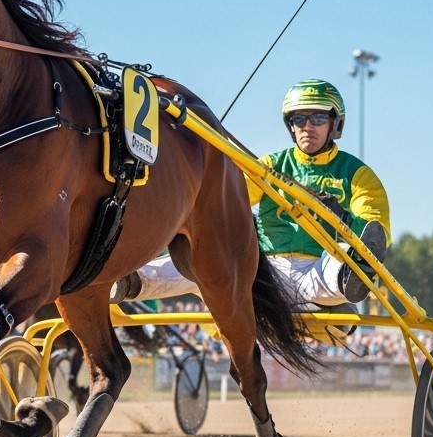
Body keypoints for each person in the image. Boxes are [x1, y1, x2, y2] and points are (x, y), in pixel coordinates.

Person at [114, 78, 389, 308]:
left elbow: (375, 229)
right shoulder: (270, 166)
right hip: (266, 273)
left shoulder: (357, 174)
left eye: (317, 118)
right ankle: (126, 280)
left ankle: (352, 275)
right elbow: (225, 199)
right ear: (290, 125)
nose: (307, 126)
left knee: (342, 259)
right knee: (207, 260)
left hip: (318, 271)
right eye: (299, 118)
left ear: (334, 124)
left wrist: (341, 218)